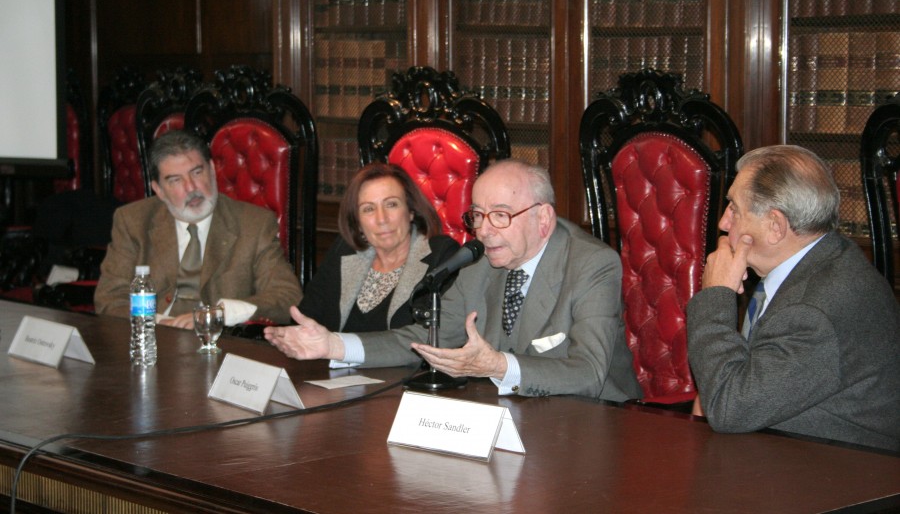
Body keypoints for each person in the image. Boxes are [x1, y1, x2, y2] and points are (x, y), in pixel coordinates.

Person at [267, 159, 642, 400]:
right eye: (477, 215)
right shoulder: (479, 262)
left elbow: (589, 373)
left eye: (500, 215)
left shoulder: (593, 264)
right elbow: (424, 340)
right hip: (512, 416)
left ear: (542, 219)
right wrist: (335, 345)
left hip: (594, 423)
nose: (485, 231)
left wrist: (498, 366)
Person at [687, 145, 900, 452]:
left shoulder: (813, 311)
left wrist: (715, 295)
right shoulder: (825, 260)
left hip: (840, 478)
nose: (723, 222)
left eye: (734, 208)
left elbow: (728, 409)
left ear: (775, 226)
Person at [94, 130, 302, 328]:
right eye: (175, 180)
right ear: (159, 190)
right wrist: (158, 323)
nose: (191, 188)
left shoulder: (254, 224)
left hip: (218, 345)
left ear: (211, 170)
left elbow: (287, 296)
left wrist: (219, 313)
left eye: (196, 172)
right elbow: (109, 299)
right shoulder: (133, 221)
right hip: (153, 340)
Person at [283, 162, 459, 333]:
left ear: (411, 211)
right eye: (368, 209)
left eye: (391, 204)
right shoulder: (344, 251)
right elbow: (305, 319)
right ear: (357, 222)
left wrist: (339, 347)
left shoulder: (441, 255)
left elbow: (427, 339)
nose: (382, 219)